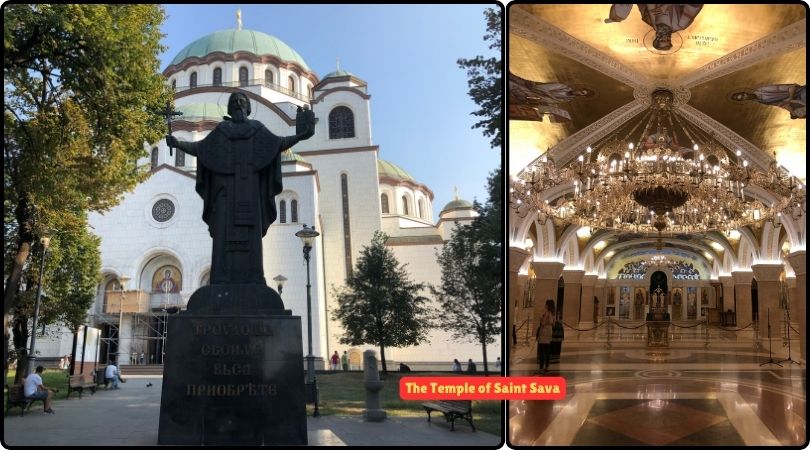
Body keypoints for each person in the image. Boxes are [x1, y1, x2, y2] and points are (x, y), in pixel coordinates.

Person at [166, 92, 315, 284]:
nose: (238, 104)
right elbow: (201, 148)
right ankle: (219, 280)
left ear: (248, 107)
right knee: (222, 233)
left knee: (251, 234)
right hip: (224, 194)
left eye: (242, 101)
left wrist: (301, 135)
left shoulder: (257, 129)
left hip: (250, 193)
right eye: (234, 102)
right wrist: (178, 143)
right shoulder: (222, 130)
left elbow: (278, 143)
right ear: (229, 108)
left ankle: (254, 279)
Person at [604, 4, 704, 51]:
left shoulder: (647, 18)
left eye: (661, 39)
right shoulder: (682, 23)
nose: (664, 37)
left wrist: (618, 15)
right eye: (667, 39)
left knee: (618, 15)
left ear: (656, 37)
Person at [732, 84, 806, 119]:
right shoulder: (761, 101)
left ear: (745, 92)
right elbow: (781, 104)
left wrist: (790, 97)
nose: (745, 97)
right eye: (742, 98)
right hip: (794, 101)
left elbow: (791, 87)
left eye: (742, 95)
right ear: (744, 100)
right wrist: (792, 112)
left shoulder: (763, 90)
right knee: (799, 114)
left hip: (799, 93)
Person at [536, 299, 555, 374]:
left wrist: (541, 319)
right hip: (549, 333)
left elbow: (543, 323)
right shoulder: (553, 313)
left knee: (542, 352)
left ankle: (541, 368)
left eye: (546, 303)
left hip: (544, 333)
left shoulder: (547, 313)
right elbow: (553, 324)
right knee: (547, 351)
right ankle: (547, 367)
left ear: (548, 305)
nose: (545, 305)